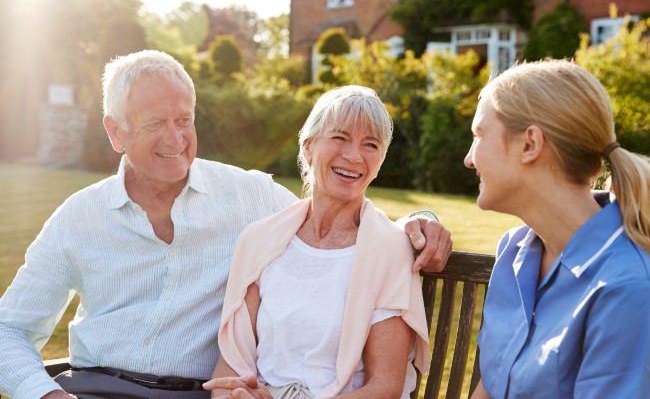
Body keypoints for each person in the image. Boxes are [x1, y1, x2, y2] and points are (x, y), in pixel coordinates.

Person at [0, 50, 451, 399]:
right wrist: (46, 393)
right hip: (96, 388)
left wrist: (420, 220)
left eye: (184, 120)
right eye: (155, 123)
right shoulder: (78, 217)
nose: (176, 139)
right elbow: (9, 329)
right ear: (115, 131)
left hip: (196, 395)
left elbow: (334, 213)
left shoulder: (249, 197)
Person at [202, 85, 429, 399]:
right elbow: (229, 370)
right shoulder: (260, 241)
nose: (354, 156)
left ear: (380, 161)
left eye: (370, 144)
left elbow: (384, 388)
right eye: (340, 138)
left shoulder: (389, 250)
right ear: (308, 148)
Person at [464, 60, 650, 399]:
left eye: (478, 136)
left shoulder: (628, 287)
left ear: (530, 144)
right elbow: (490, 387)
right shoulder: (513, 251)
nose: (469, 158)